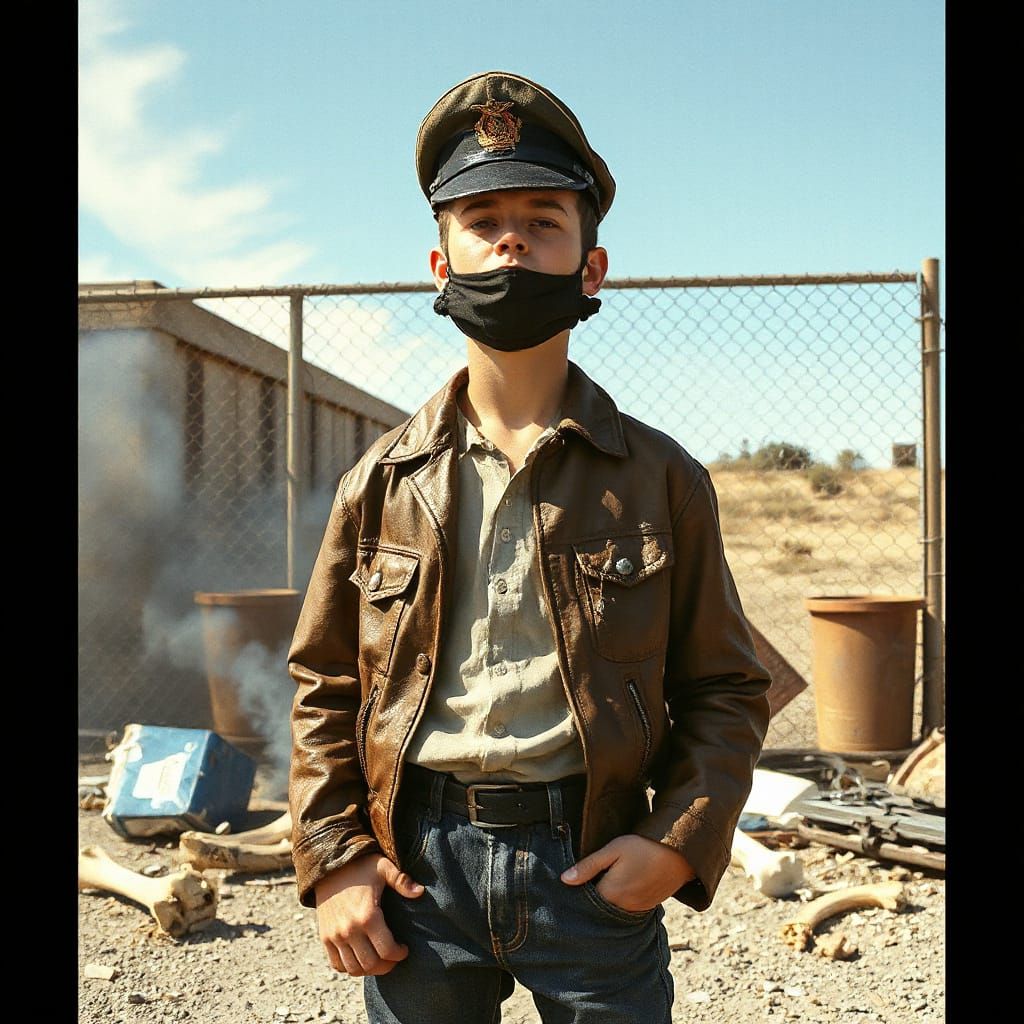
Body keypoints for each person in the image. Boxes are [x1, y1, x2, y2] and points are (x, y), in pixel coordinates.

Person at [287, 70, 772, 1024]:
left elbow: (726, 686)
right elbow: (324, 685)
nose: (511, 238)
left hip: (589, 863)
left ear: (592, 268)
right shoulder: (382, 483)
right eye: (483, 219)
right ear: (441, 266)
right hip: (418, 878)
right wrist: (338, 859)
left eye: (544, 220)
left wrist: (675, 840)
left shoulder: (660, 480)